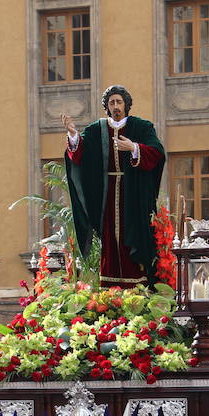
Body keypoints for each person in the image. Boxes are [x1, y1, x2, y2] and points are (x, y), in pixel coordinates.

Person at [62, 85, 166, 286]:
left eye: (119, 102)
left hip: (134, 194)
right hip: (106, 195)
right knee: (109, 240)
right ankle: (110, 288)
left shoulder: (142, 127)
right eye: (112, 103)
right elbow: (80, 155)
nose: (116, 106)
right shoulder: (96, 129)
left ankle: (138, 286)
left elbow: (157, 152)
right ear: (107, 107)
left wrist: (134, 148)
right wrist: (74, 136)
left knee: (133, 235)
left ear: (126, 104)